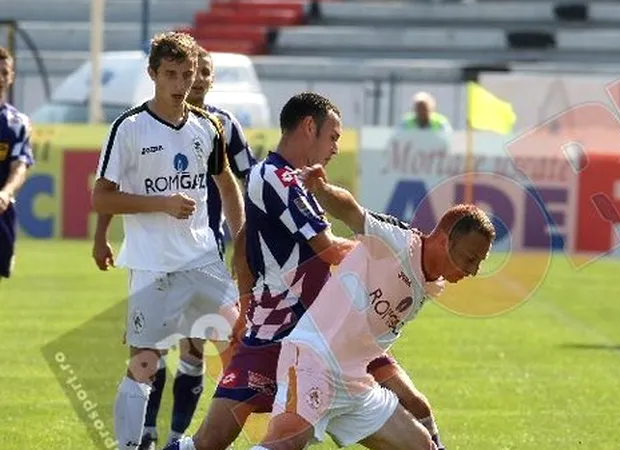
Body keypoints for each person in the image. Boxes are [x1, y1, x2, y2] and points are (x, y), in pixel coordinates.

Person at [169, 93, 447, 450]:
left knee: (414, 404)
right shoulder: (275, 177)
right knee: (212, 442)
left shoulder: (295, 181)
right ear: (309, 127)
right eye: (333, 136)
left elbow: (243, 245)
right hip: (282, 330)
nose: (335, 147)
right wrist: (398, 262)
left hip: (334, 329)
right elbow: (329, 249)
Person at [254, 165, 494, 450]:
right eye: (470, 258)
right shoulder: (397, 242)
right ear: (443, 240)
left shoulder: (434, 283)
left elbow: (374, 337)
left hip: (354, 381)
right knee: (286, 442)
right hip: (314, 358)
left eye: (479, 262)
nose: (474, 270)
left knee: (421, 446)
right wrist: (321, 190)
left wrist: (410, 397)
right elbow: (353, 212)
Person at [92, 44, 258, 449]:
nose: (181, 84)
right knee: (144, 363)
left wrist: (240, 242)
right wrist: (160, 204)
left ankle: (210, 441)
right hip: (154, 266)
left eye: (186, 75)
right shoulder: (128, 128)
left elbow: (228, 185)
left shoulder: (207, 126)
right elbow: (101, 197)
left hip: (204, 261)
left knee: (245, 351)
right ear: (152, 74)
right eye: (170, 74)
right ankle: (129, 445)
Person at [0, 47, 34, 283]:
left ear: (11, 77)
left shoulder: (17, 123)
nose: (0, 78)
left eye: (4, 72)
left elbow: (20, 166)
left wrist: (5, 193)